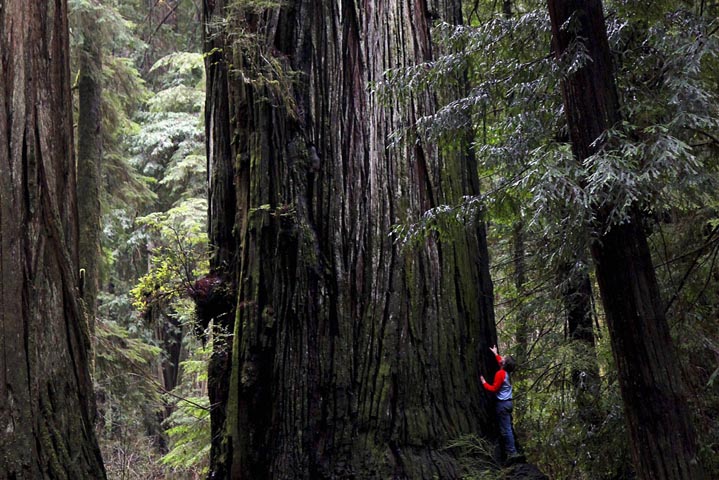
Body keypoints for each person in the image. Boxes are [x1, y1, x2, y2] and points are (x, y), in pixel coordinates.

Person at [480, 345, 518, 458]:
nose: (502, 359)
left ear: (504, 364)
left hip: (502, 405)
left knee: (506, 430)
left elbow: (494, 388)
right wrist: (496, 354)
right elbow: (501, 363)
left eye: (504, 359)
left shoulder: (500, 374)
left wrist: (483, 382)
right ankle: (510, 451)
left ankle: (512, 453)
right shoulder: (506, 372)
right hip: (508, 403)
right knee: (506, 428)